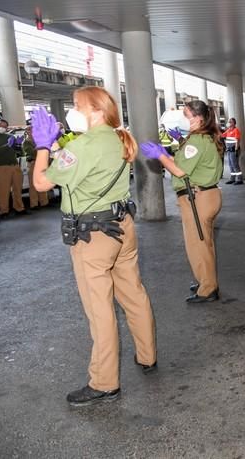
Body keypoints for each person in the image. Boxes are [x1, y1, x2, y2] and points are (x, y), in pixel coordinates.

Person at [31, 87, 157, 407]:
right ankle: (147, 355)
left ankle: (104, 382)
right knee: (133, 293)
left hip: (94, 236)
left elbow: (42, 183)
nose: (72, 111)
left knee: (99, 309)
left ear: (98, 111)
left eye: (77, 106)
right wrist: (59, 145)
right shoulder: (115, 139)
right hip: (122, 227)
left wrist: (43, 146)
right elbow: (77, 167)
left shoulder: (86, 144)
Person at [141, 100, 224, 303]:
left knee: (198, 246)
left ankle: (207, 289)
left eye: (186, 114)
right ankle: (206, 280)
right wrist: (180, 142)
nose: (182, 118)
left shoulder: (197, 140)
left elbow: (180, 170)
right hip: (206, 195)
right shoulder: (202, 138)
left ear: (198, 118)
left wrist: (160, 155)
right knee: (205, 243)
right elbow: (188, 160)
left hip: (198, 198)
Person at [0, 119, 27, 218]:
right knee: (3, 190)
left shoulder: (10, 137)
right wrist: (7, 146)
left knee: (17, 189)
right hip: (2, 166)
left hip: (14, 165)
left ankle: (19, 207)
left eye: (4, 126)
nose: (2, 127)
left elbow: (19, 152)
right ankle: (3, 210)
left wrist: (19, 145)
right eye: (0, 125)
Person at [21, 126, 50, 209]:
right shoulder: (26, 142)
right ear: (27, 132)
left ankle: (44, 202)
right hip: (33, 163)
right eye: (29, 131)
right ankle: (34, 204)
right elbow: (30, 152)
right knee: (33, 185)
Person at [222, 117, 243, 185]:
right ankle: (232, 178)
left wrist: (236, 149)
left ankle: (239, 179)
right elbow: (222, 136)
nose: (229, 123)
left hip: (234, 150)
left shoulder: (236, 130)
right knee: (231, 165)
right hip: (229, 150)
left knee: (235, 165)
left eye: (230, 122)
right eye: (229, 121)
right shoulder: (228, 130)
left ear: (234, 123)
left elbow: (237, 140)